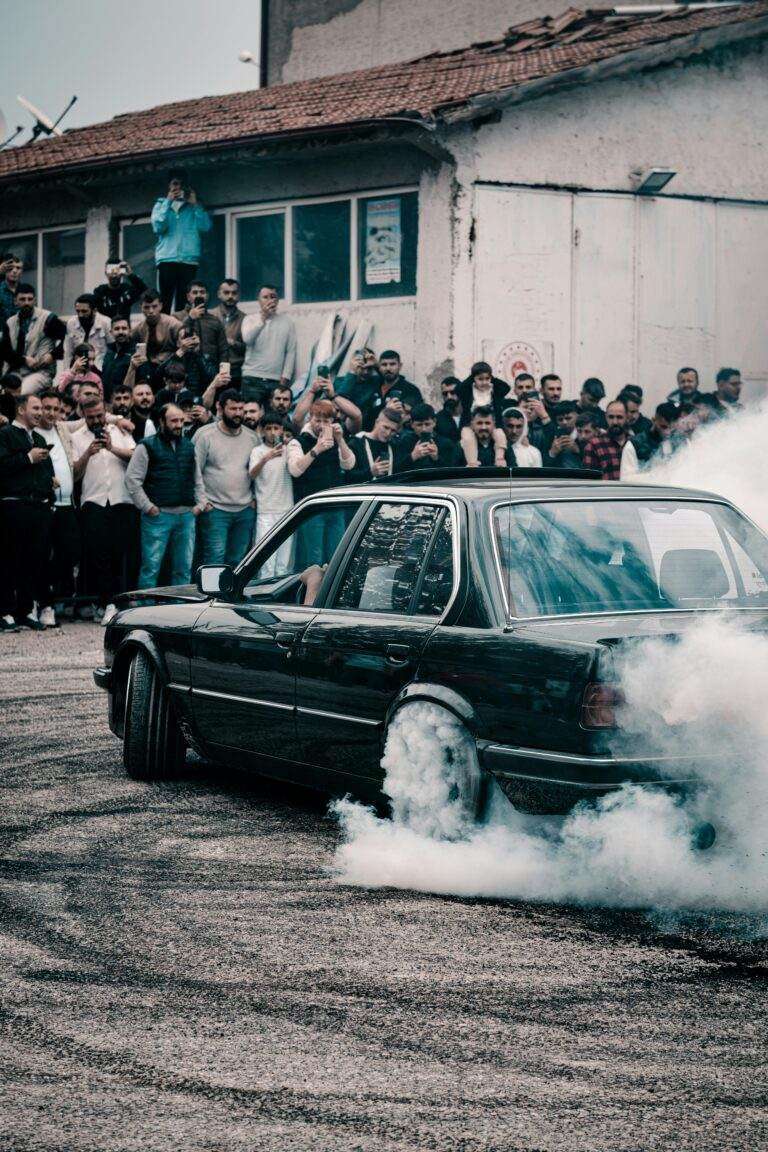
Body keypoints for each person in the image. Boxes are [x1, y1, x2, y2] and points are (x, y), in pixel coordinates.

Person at [126, 403, 207, 588]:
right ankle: (143, 609)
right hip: (158, 516)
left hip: (186, 516)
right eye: (173, 421)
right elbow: (132, 480)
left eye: (181, 420)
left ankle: (180, 608)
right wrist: (148, 507)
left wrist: (200, 505)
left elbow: (197, 478)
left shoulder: (188, 446)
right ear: (161, 421)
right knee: (151, 567)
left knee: (183, 567)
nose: (178, 425)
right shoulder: (146, 446)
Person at [71, 398, 136, 622]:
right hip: (93, 501)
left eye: (99, 415)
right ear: (83, 415)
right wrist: (88, 453)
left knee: (119, 553)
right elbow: (75, 476)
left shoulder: (120, 431)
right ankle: (106, 603)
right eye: (91, 417)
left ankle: (116, 602)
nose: (96, 421)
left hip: (121, 499)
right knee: (99, 555)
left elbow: (135, 457)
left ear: (105, 412)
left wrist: (112, 448)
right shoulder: (76, 437)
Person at [0, 393, 55, 631]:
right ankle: (5, 611)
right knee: (9, 560)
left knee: (33, 561)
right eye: (36, 408)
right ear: (21, 410)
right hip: (13, 506)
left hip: (38, 507)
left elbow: (45, 469)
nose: (40, 412)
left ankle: (24, 610)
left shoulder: (40, 438)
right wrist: (27, 458)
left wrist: (49, 484)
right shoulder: (4, 435)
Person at [193, 389, 259, 566]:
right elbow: (194, 471)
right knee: (214, 559)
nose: (238, 413)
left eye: (240, 409)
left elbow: (257, 470)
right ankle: (211, 595)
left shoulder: (252, 438)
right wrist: (202, 502)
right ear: (220, 408)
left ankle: (231, 595)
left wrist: (254, 499)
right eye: (233, 409)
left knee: (237, 561)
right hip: (215, 510)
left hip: (245, 510)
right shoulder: (205, 435)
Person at [286, 398, 355, 564]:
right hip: (313, 508)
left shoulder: (336, 439)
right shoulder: (298, 441)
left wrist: (340, 439)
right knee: (313, 558)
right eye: (318, 420)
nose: (321, 424)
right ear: (310, 418)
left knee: (335, 557)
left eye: (326, 421)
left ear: (332, 421)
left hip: (336, 506)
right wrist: (317, 448)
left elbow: (350, 464)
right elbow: (295, 470)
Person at [37, 390, 80, 624]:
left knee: (71, 552)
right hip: (44, 504)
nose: (52, 413)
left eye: (56, 408)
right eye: (47, 408)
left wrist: (117, 419)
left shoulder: (62, 428)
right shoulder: (31, 432)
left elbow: (83, 421)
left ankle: (54, 595)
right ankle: (45, 604)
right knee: (42, 554)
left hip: (67, 504)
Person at [151, 169, 212, 314]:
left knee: (184, 303)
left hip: (189, 259)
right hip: (167, 258)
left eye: (182, 184)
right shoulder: (160, 204)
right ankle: (165, 332)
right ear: (169, 186)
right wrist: (168, 201)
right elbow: (158, 226)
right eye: (175, 183)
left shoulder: (195, 206)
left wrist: (195, 204)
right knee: (164, 301)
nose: (178, 187)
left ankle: (182, 332)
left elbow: (205, 227)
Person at [248, 410, 295, 576]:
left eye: (276, 428)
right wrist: (266, 457)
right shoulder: (257, 451)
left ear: (281, 429)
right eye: (268, 428)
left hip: (287, 510)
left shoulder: (289, 449)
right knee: (266, 563)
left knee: (284, 564)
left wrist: (288, 446)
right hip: (266, 511)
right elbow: (251, 474)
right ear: (262, 430)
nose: (273, 432)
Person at [2, 283, 64, 395]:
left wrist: (53, 355)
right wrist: (24, 359)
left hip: (41, 372)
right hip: (15, 372)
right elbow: (5, 351)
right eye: (22, 299)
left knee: (20, 393)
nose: (27, 303)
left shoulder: (48, 319)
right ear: (15, 301)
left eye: (30, 299)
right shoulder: (10, 322)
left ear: (35, 300)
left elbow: (68, 339)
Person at [241, 285, 297, 401]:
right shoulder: (249, 319)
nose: (270, 300)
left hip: (275, 381)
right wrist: (263, 318)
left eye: (273, 297)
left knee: (272, 418)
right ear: (258, 300)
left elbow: (291, 352)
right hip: (252, 378)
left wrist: (285, 378)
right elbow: (247, 339)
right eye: (265, 297)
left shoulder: (287, 322)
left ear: (277, 300)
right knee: (251, 415)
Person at [129, 290, 182, 389]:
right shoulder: (139, 329)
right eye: (146, 307)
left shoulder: (173, 324)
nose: (151, 311)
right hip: (148, 371)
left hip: (171, 369)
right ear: (141, 307)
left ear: (161, 306)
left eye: (154, 306)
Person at [360, 349, 422, 431]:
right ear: (379, 367)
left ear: (400, 366)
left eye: (392, 364)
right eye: (384, 365)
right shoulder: (372, 386)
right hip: (368, 435)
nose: (388, 368)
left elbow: (412, 416)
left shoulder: (410, 390)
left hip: (395, 438)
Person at [174, 281, 229, 371]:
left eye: (202, 292)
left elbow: (223, 349)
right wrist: (190, 318)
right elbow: (177, 340)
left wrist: (224, 372)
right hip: (185, 369)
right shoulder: (177, 317)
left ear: (207, 296)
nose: (199, 295)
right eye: (195, 292)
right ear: (188, 297)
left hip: (210, 369)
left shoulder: (215, 320)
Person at [581, 398, 637, 480]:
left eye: (619, 417)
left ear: (627, 418)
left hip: (633, 491)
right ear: (606, 417)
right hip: (606, 492)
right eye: (611, 417)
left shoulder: (635, 443)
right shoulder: (594, 445)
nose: (615, 422)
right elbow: (588, 481)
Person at [622, 402, 679, 476]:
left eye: (672, 428)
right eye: (663, 427)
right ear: (653, 420)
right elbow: (627, 478)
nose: (668, 432)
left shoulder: (678, 443)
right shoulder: (635, 445)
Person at [349, 407, 403, 481]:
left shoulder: (394, 447)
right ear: (377, 422)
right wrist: (370, 473)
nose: (388, 433)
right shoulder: (356, 444)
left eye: (393, 430)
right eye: (386, 427)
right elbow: (348, 478)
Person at [402, 403, 460, 470]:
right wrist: (412, 457)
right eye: (419, 425)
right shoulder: (405, 442)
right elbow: (397, 469)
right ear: (412, 424)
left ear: (434, 422)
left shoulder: (446, 444)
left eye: (427, 424)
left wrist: (436, 458)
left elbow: (452, 471)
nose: (424, 429)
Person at [210, 278, 247, 383]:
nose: (230, 296)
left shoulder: (245, 319)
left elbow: (249, 349)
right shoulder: (209, 316)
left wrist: (233, 343)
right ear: (219, 294)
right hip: (211, 369)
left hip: (235, 371)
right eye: (226, 293)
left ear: (239, 295)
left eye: (234, 293)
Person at [63, 294, 112, 370]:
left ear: (94, 311)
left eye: (84, 311)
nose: (80, 315)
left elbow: (113, 349)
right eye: (78, 311)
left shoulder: (106, 322)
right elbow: (68, 352)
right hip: (79, 368)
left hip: (100, 367)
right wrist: (67, 373)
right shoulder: (71, 323)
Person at [455, 361, 509, 430]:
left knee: (500, 437)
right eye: (480, 379)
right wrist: (473, 375)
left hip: (492, 426)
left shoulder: (494, 390)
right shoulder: (469, 391)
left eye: (487, 378)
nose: (484, 382)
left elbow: (506, 388)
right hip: (470, 426)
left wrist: (490, 376)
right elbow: (458, 390)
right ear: (473, 378)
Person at [101, 316, 134, 401]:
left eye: (124, 328)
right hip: (108, 401)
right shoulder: (109, 351)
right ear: (111, 332)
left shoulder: (135, 352)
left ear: (130, 330)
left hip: (126, 401)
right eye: (117, 329)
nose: (121, 332)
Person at [543, 401, 581, 469]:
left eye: (568, 418)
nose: (564, 422)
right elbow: (543, 465)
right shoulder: (551, 436)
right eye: (560, 419)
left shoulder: (585, 434)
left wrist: (578, 451)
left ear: (577, 416)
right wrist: (552, 453)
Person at [435, 376, 463, 443]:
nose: (449, 396)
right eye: (445, 394)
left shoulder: (471, 416)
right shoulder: (437, 419)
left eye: (452, 393)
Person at [0, 253, 24, 324]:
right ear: (4, 270)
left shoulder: (25, 291)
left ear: (22, 272)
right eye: (11, 268)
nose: (14, 271)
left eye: (18, 268)